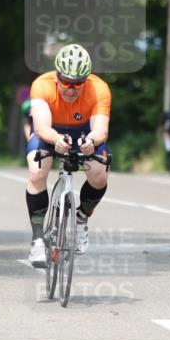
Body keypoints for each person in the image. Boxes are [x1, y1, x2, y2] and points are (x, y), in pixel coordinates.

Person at [25, 44, 111, 267]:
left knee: (100, 175)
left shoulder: (99, 89)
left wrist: (91, 141)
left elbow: (100, 130)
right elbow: (41, 127)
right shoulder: (41, 85)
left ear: (86, 79)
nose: (71, 89)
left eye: (78, 83)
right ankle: (37, 241)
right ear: (57, 77)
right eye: (66, 82)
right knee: (36, 173)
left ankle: (81, 217)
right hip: (50, 132)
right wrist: (56, 140)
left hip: (84, 132)